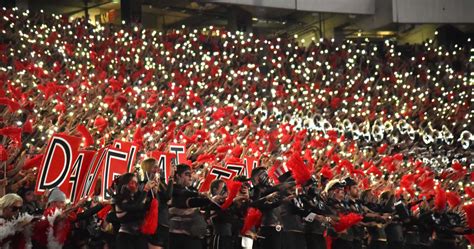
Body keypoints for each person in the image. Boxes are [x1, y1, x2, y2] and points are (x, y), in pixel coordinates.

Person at [169, 164, 216, 249]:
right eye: (187, 174)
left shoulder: (191, 190)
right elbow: (190, 200)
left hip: (193, 238)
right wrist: (206, 198)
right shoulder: (172, 190)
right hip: (179, 240)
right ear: (178, 176)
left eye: (191, 174)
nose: (191, 177)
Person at [114, 172, 156, 249]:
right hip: (125, 238)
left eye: (137, 183)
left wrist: (154, 190)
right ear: (125, 184)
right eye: (133, 182)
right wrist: (146, 189)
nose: (136, 185)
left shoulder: (137, 196)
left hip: (140, 237)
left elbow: (147, 207)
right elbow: (136, 207)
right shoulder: (120, 199)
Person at [140, 157, 173, 249]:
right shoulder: (143, 184)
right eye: (155, 167)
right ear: (148, 168)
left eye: (158, 166)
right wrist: (154, 192)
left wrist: (171, 178)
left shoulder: (160, 182)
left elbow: (168, 196)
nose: (158, 169)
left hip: (165, 224)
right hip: (154, 225)